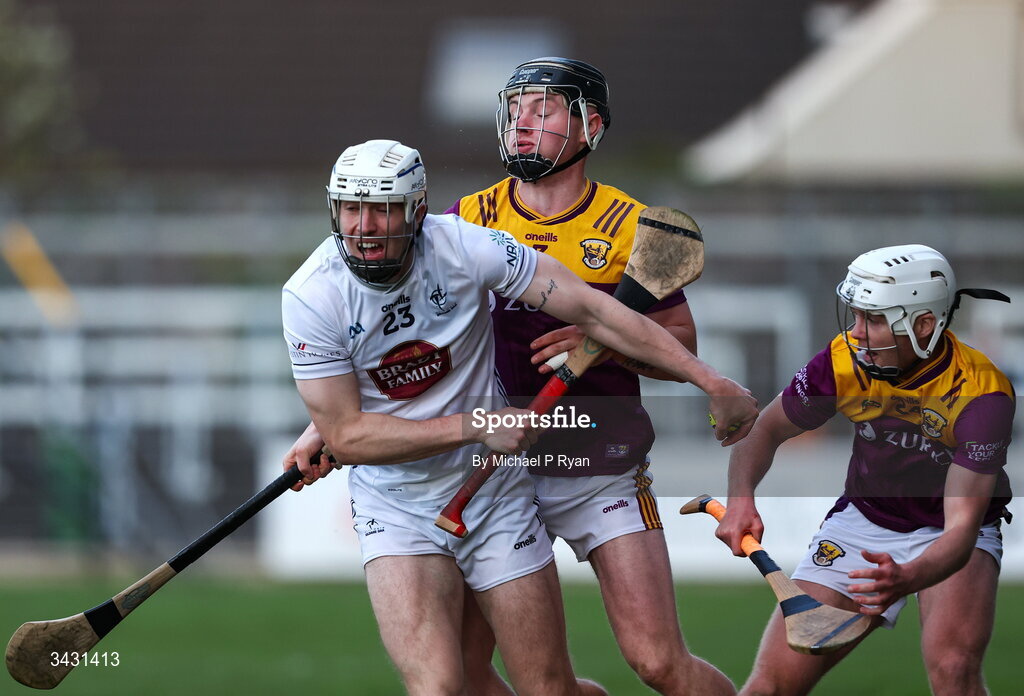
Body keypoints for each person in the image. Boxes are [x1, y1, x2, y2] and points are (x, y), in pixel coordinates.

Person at [283, 138, 758, 696]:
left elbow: (594, 310)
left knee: (553, 687)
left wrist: (711, 381)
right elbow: (349, 437)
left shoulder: (466, 246)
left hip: (495, 491)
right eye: (350, 208)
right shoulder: (312, 295)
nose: (363, 227)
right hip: (395, 504)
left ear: (417, 210)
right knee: (441, 687)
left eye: (382, 209)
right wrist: (471, 425)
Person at [446, 57, 741, 696]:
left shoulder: (628, 225)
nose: (522, 124)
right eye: (515, 110)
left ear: (591, 126)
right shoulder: (467, 217)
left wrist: (604, 345)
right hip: (497, 470)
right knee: (464, 672)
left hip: (600, 464)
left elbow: (682, 344)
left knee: (659, 662)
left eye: (543, 109)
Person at [715, 244, 1014, 696]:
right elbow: (765, 430)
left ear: (923, 325)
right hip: (865, 521)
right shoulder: (842, 362)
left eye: (873, 320)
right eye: (855, 315)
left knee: (954, 672)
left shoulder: (982, 396)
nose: (856, 333)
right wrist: (740, 500)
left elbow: (960, 530)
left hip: (950, 531)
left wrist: (908, 577)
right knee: (769, 687)